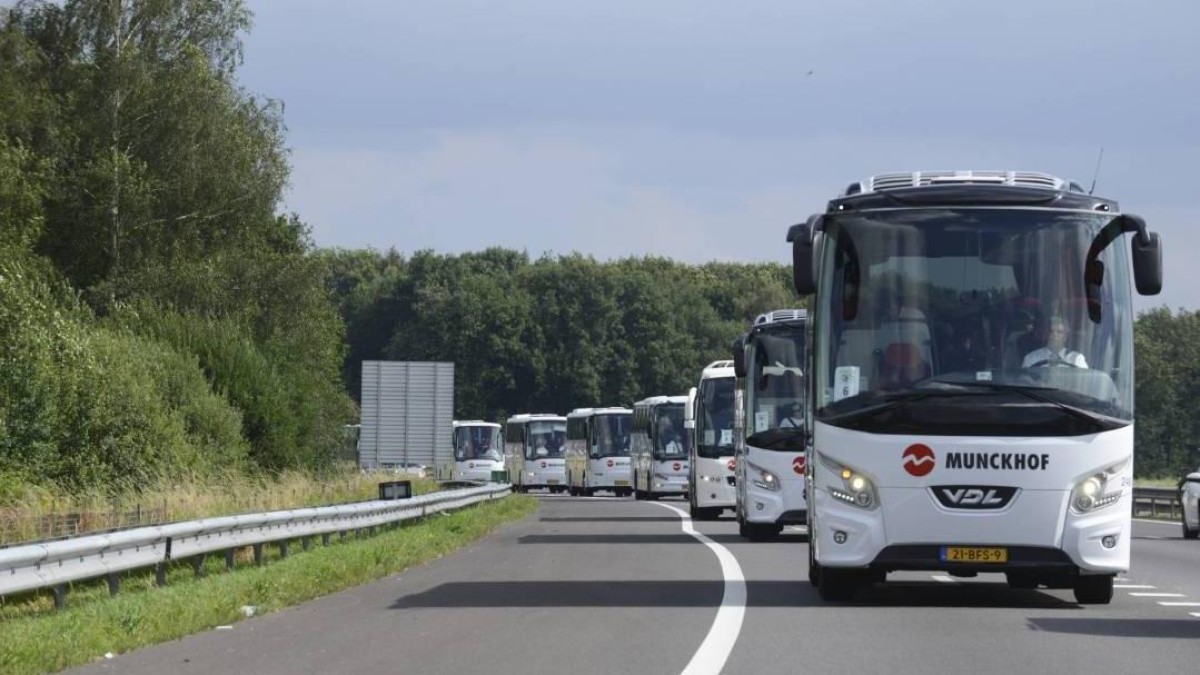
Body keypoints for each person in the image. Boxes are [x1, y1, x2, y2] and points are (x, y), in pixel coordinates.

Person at [1022, 315, 1088, 368]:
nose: (1055, 334)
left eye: (1059, 332)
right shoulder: (1031, 358)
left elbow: (1085, 381)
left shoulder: (1076, 359)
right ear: (1046, 334)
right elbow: (1025, 381)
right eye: (1051, 331)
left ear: (1065, 336)